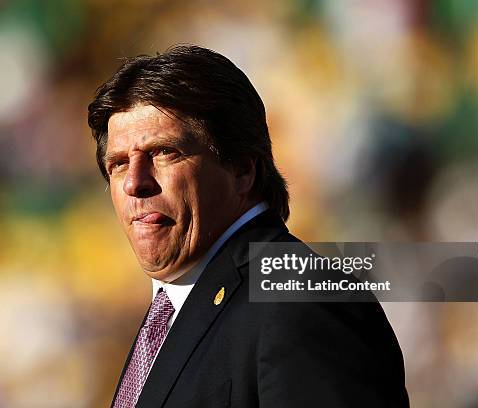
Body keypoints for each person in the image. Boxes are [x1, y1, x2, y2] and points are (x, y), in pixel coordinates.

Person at [87, 45, 409, 408]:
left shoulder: (299, 298)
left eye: (164, 152)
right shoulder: (176, 306)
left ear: (241, 169)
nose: (134, 182)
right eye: (117, 164)